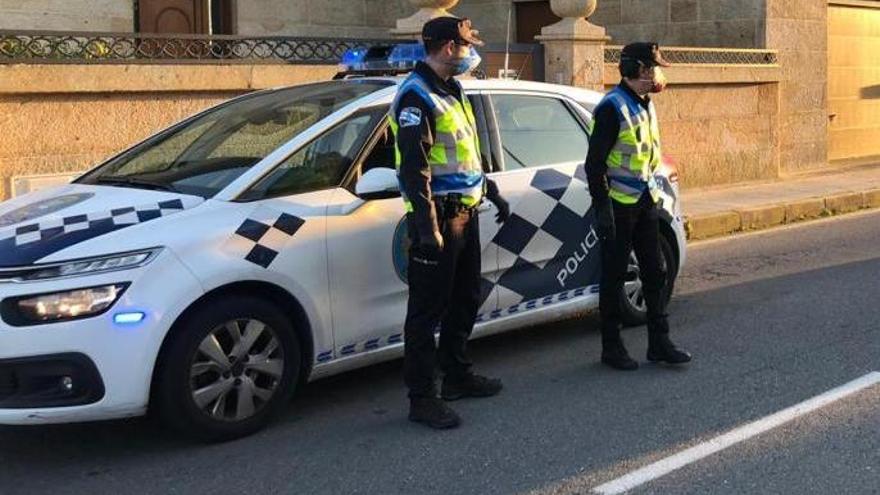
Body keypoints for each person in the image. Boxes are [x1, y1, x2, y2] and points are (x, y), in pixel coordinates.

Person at [390, 16, 510, 428]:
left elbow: (464, 155)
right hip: (438, 218)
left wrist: (490, 191)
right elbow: (414, 170)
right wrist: (427, 229)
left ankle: (457, 374)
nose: (470, 52)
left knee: (465, 299)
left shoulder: (452, 89)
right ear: (446, 47)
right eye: (465, 45)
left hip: (466, 212)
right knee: (425, 313)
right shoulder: (415, 97)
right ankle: (422, 397)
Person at [585, 42, 692, 371]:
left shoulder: (645, 104)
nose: (655, 75)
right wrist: (602, 209)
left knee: (655, 271)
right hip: (618, 205)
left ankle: (659, 343)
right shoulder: (610, 108)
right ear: (634, 70)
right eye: (650, 68)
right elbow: (594, 165)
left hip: (645, 200)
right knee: (614, 276)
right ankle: (612, 347)